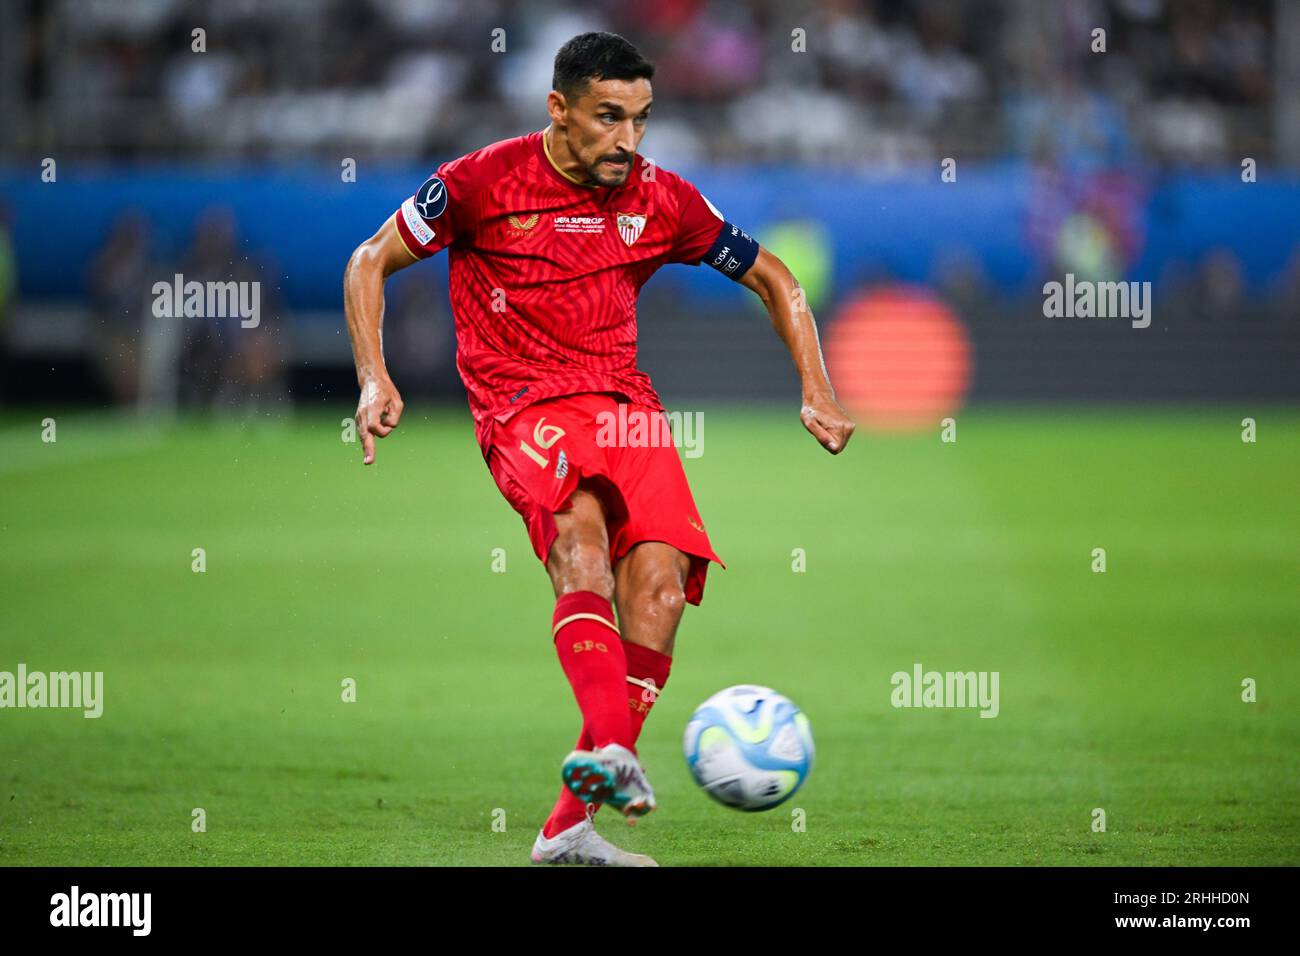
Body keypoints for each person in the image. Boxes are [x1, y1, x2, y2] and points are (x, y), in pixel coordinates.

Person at [342, 31, 854, 866]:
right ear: (559, 109)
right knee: (578, 544)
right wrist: (374, 377)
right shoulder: (481, 182)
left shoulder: (662, 198)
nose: (628, 141)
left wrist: (818, 388)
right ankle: (615, 750)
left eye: (642, 120)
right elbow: (369, 261)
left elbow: (776, 279)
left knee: (655, 593)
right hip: (521, 404)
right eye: (609, 117)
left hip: (625, 408)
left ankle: (566, 830)